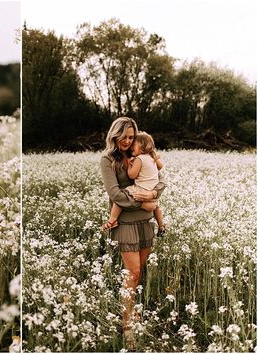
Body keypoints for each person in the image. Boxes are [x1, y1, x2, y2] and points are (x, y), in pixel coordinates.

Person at [99, 117, 166, 350]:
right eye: (124, 137)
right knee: (132, 271)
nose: (127, 141)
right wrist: (144, 202)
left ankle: (131, 311)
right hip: (125, 223)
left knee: (138, 275)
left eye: (131, 137)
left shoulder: (141, 154)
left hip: (146, 222)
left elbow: (161, 181)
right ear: (114, 135)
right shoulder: (108, 160)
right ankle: (126, 323)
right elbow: (115, 194)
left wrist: (152, 196)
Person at [102, 131, 166, 236]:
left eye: (134, 144)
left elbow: (132, 175)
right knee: (156, 207)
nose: (131, 146)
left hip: (141, 189)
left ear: (142, 146)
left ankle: (112, 220)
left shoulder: (139, 159)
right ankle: (161, 225)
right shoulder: (152, 157)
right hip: (151, 188)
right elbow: (160, 167)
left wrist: (131, 165)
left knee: (121, 197)